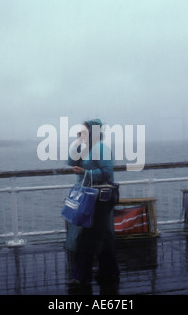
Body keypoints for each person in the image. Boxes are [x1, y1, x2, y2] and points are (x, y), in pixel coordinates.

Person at [65, 119, 119, 294]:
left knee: (87, 237)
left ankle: (81, 277)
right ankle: (109, 273)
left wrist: (85, 172)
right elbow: (70, 162)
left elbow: (107, 173)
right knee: (103, 236)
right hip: (88, 196)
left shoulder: (101, 149)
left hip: (98, 198)